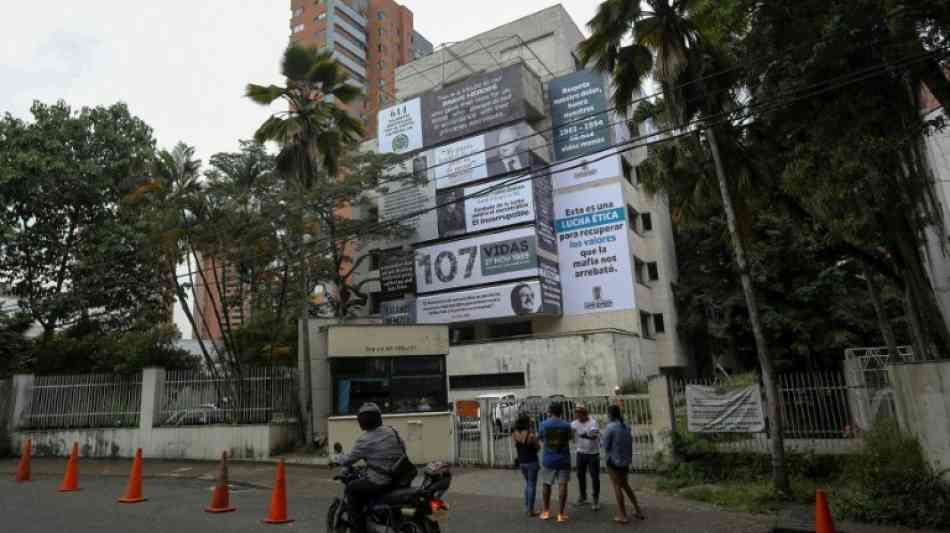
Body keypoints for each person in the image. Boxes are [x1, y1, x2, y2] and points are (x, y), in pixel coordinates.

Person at [333, 403, 405, 533]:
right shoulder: (392, 431)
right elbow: (403, 448)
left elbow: (349, 459)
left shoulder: (365, 439)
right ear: (378, 418)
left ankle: (358, 529)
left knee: (352, 489)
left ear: (362, 422)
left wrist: (336, 458)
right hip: (400, 478)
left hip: (382, 481)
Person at [603, 405, 645, 524]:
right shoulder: (626, 426)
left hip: (613, 461)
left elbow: (605, 446)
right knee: (625, 485)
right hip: (625, 461)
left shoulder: (610, 427)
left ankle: (623, 515)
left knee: (617, 486)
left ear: (610, 414)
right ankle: (638, 510)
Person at [538, 402, 572, 523]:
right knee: (563, 485)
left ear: (550, 411)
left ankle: (546, 511)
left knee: (546, 484)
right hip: (563, 459)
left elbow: (541, 438)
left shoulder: (543, 424)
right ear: (561, 412)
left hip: (549, 459)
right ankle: (561, 514)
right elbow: (569, 438)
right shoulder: (566, 425)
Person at [571, 404, 601, 510]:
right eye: (576, 413)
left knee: (595, 477)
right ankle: (583, 497)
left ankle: (596, 499)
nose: (577, 416)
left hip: (593, 453)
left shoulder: (593, 422)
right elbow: (570, 434)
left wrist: (582, 435)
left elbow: (594, 436)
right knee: (580, 475)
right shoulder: (574, 423)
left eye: (579, 413)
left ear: (584, 413)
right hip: (581, 453)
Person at [512, 414, 540, 516]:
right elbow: (538, 447)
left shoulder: (515, 433)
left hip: (522, 462)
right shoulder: (530, 434)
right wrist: (533, 433)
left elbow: (517, 445)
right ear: (527, 423)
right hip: (531, 461)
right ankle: (530, 510)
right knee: (532, 485)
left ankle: (526, 506)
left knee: (528, 484)